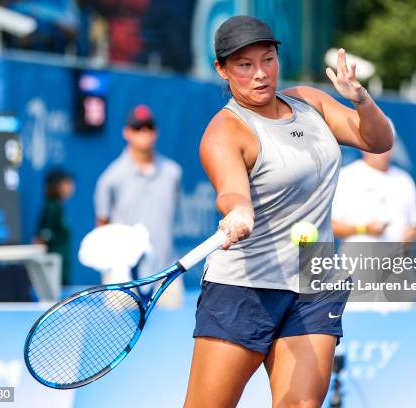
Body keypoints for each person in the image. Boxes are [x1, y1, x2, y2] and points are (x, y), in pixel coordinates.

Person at [185, 15, 393, 407]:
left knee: (300, 404)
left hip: (313, 280)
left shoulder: (309, 102)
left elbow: (378, 140)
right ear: (222, 70)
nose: (261, 74)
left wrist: (360, 98)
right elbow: (231, 191)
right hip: (245, 288)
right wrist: (238, 213)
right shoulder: (224, 132)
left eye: (268, 59)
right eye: (245, 66)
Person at [93, 104, 182, 305]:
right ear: (127, 133)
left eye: (148, 127)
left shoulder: (173, 173)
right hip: (123, 276)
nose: (144, 133)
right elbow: (102, 224)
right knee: (119, 334)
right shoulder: (111, 177)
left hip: (166, 271)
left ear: (155, 132)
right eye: (137, 127)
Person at [331, 137, 416, 243]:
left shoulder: (405, 179)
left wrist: (411, 234)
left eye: (388, 144)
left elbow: (415, 225)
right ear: (364, 147)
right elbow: (331, 226)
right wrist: (364, 229)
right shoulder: (345, 176)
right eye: (377, 143)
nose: (383, 150)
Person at [35, 168, 75, 285]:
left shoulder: (58, 207)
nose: (71, 187)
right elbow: (40, 240)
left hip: (61, 271)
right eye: (67, 183)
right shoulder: (51, 208)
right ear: (57, 186)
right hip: (52, 274)